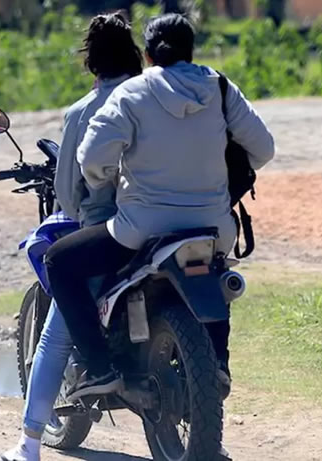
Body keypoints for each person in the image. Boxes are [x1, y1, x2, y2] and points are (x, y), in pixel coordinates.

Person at [44, 13, 274, 400]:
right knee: (212, 272)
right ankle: (217, 361)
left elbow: (92, 160)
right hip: (211, 227)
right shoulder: (219, 87)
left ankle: (99, 367)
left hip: (140, 229)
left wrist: (104, 179)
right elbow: (264, 149)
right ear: (190, 49)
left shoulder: (131, 93)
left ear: (148, 55)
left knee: (59, 262)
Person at [0, 13, 143, 461]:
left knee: (53, 334)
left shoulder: (82, 111)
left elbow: (68, 191)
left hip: (109, 230)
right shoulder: (153, 97)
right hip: (169, 223)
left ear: (91, 60)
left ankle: (29, 443)